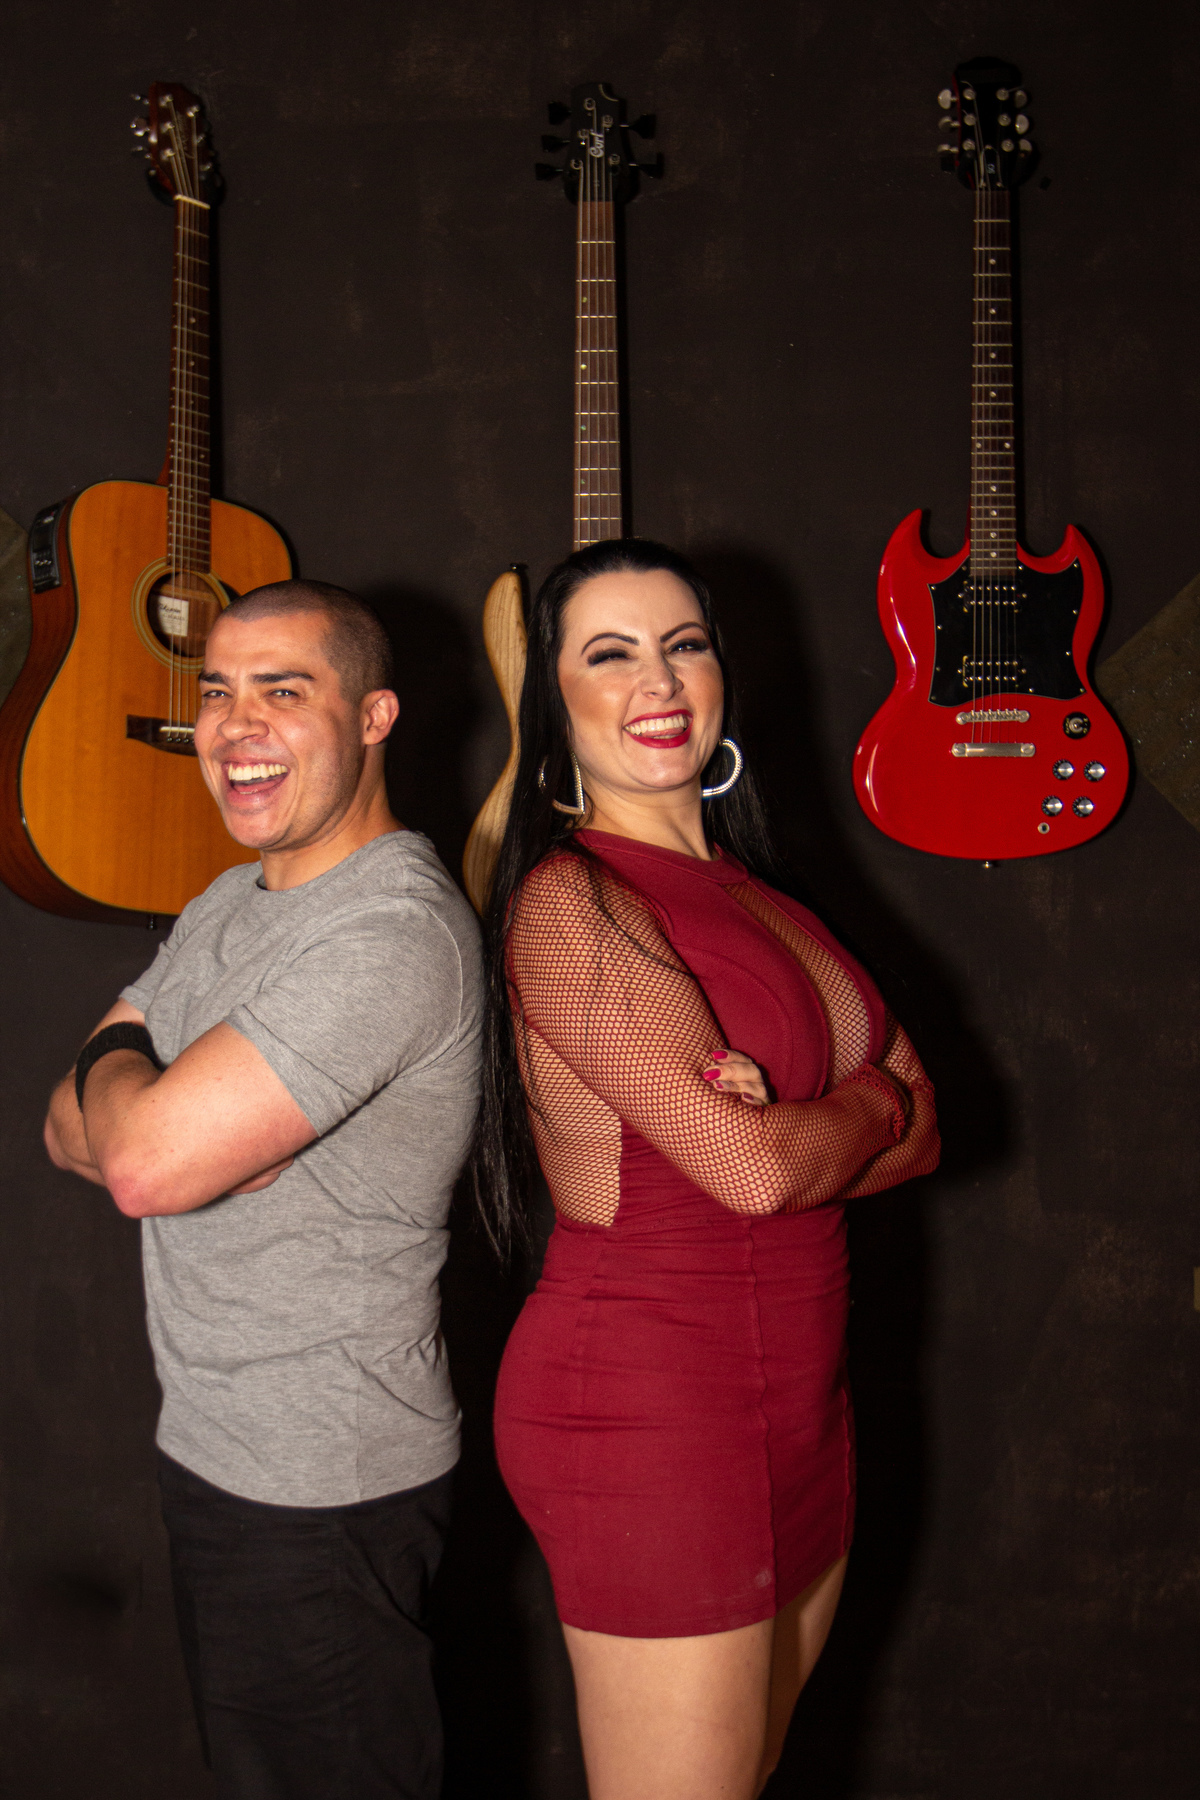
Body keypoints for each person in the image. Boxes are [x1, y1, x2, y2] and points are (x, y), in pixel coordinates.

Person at [476, 540, 940, 1800]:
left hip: (803, 1404)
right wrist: (867, 1097)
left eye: (683, 644)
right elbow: (758, 1169)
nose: (658, 681)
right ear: (553, 702)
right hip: (649, 1414)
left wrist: (818, 1122)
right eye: (609, 654)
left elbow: (928, 1134)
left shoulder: (760, 892)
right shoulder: (571, 904)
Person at [44, 580, 482, 1800]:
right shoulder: (228, 901)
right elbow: (64, 1131)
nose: (234, 726)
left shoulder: (389, 934)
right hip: (218, 1452)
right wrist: (144, 1090)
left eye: (284, 691)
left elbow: (135, 1163)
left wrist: (136, 1081)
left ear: (376, 717)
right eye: (218, 692)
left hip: (322, 1488)